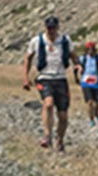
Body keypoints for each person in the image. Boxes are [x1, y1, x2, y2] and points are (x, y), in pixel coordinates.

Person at [22, 14, 73, 152]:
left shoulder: (65, 41)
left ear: (57, 28)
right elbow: (28, 58)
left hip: (61, 78)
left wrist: (78, 66)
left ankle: (60, 140)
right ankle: (47, 135)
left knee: (63, 116)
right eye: (49, 28)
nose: (51, 31)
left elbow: (73, 55)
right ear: (45, 27)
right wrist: (25, 77)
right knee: (48, 103)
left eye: (53, 28)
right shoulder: (36, 41)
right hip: (44, 77)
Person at [75, 39, 98, 126]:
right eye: (88, 49)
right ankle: (91, 120)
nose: (90, 51)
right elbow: (76, 67)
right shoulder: (83, 58)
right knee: (90, 102)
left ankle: (96, 112)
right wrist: (77, 77)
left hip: (97, 82)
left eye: (92, 49)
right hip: (86, 82)